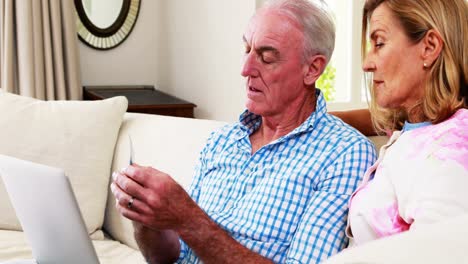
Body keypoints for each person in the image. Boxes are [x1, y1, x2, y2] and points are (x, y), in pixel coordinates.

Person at [111, 0, 376, 263]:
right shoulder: (222, 141)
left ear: (313, 68)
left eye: (266, 56)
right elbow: (171, 257)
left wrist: (188, 218)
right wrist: (147, 219)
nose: (245, 69)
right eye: (246, 49)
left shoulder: (344, 154)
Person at [344, 0, 468, 246]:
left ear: (429, 47)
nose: (366, 63)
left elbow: (437, 254)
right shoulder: (416, 127)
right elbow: (378, 120)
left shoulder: (450, 151)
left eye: (379, 43)